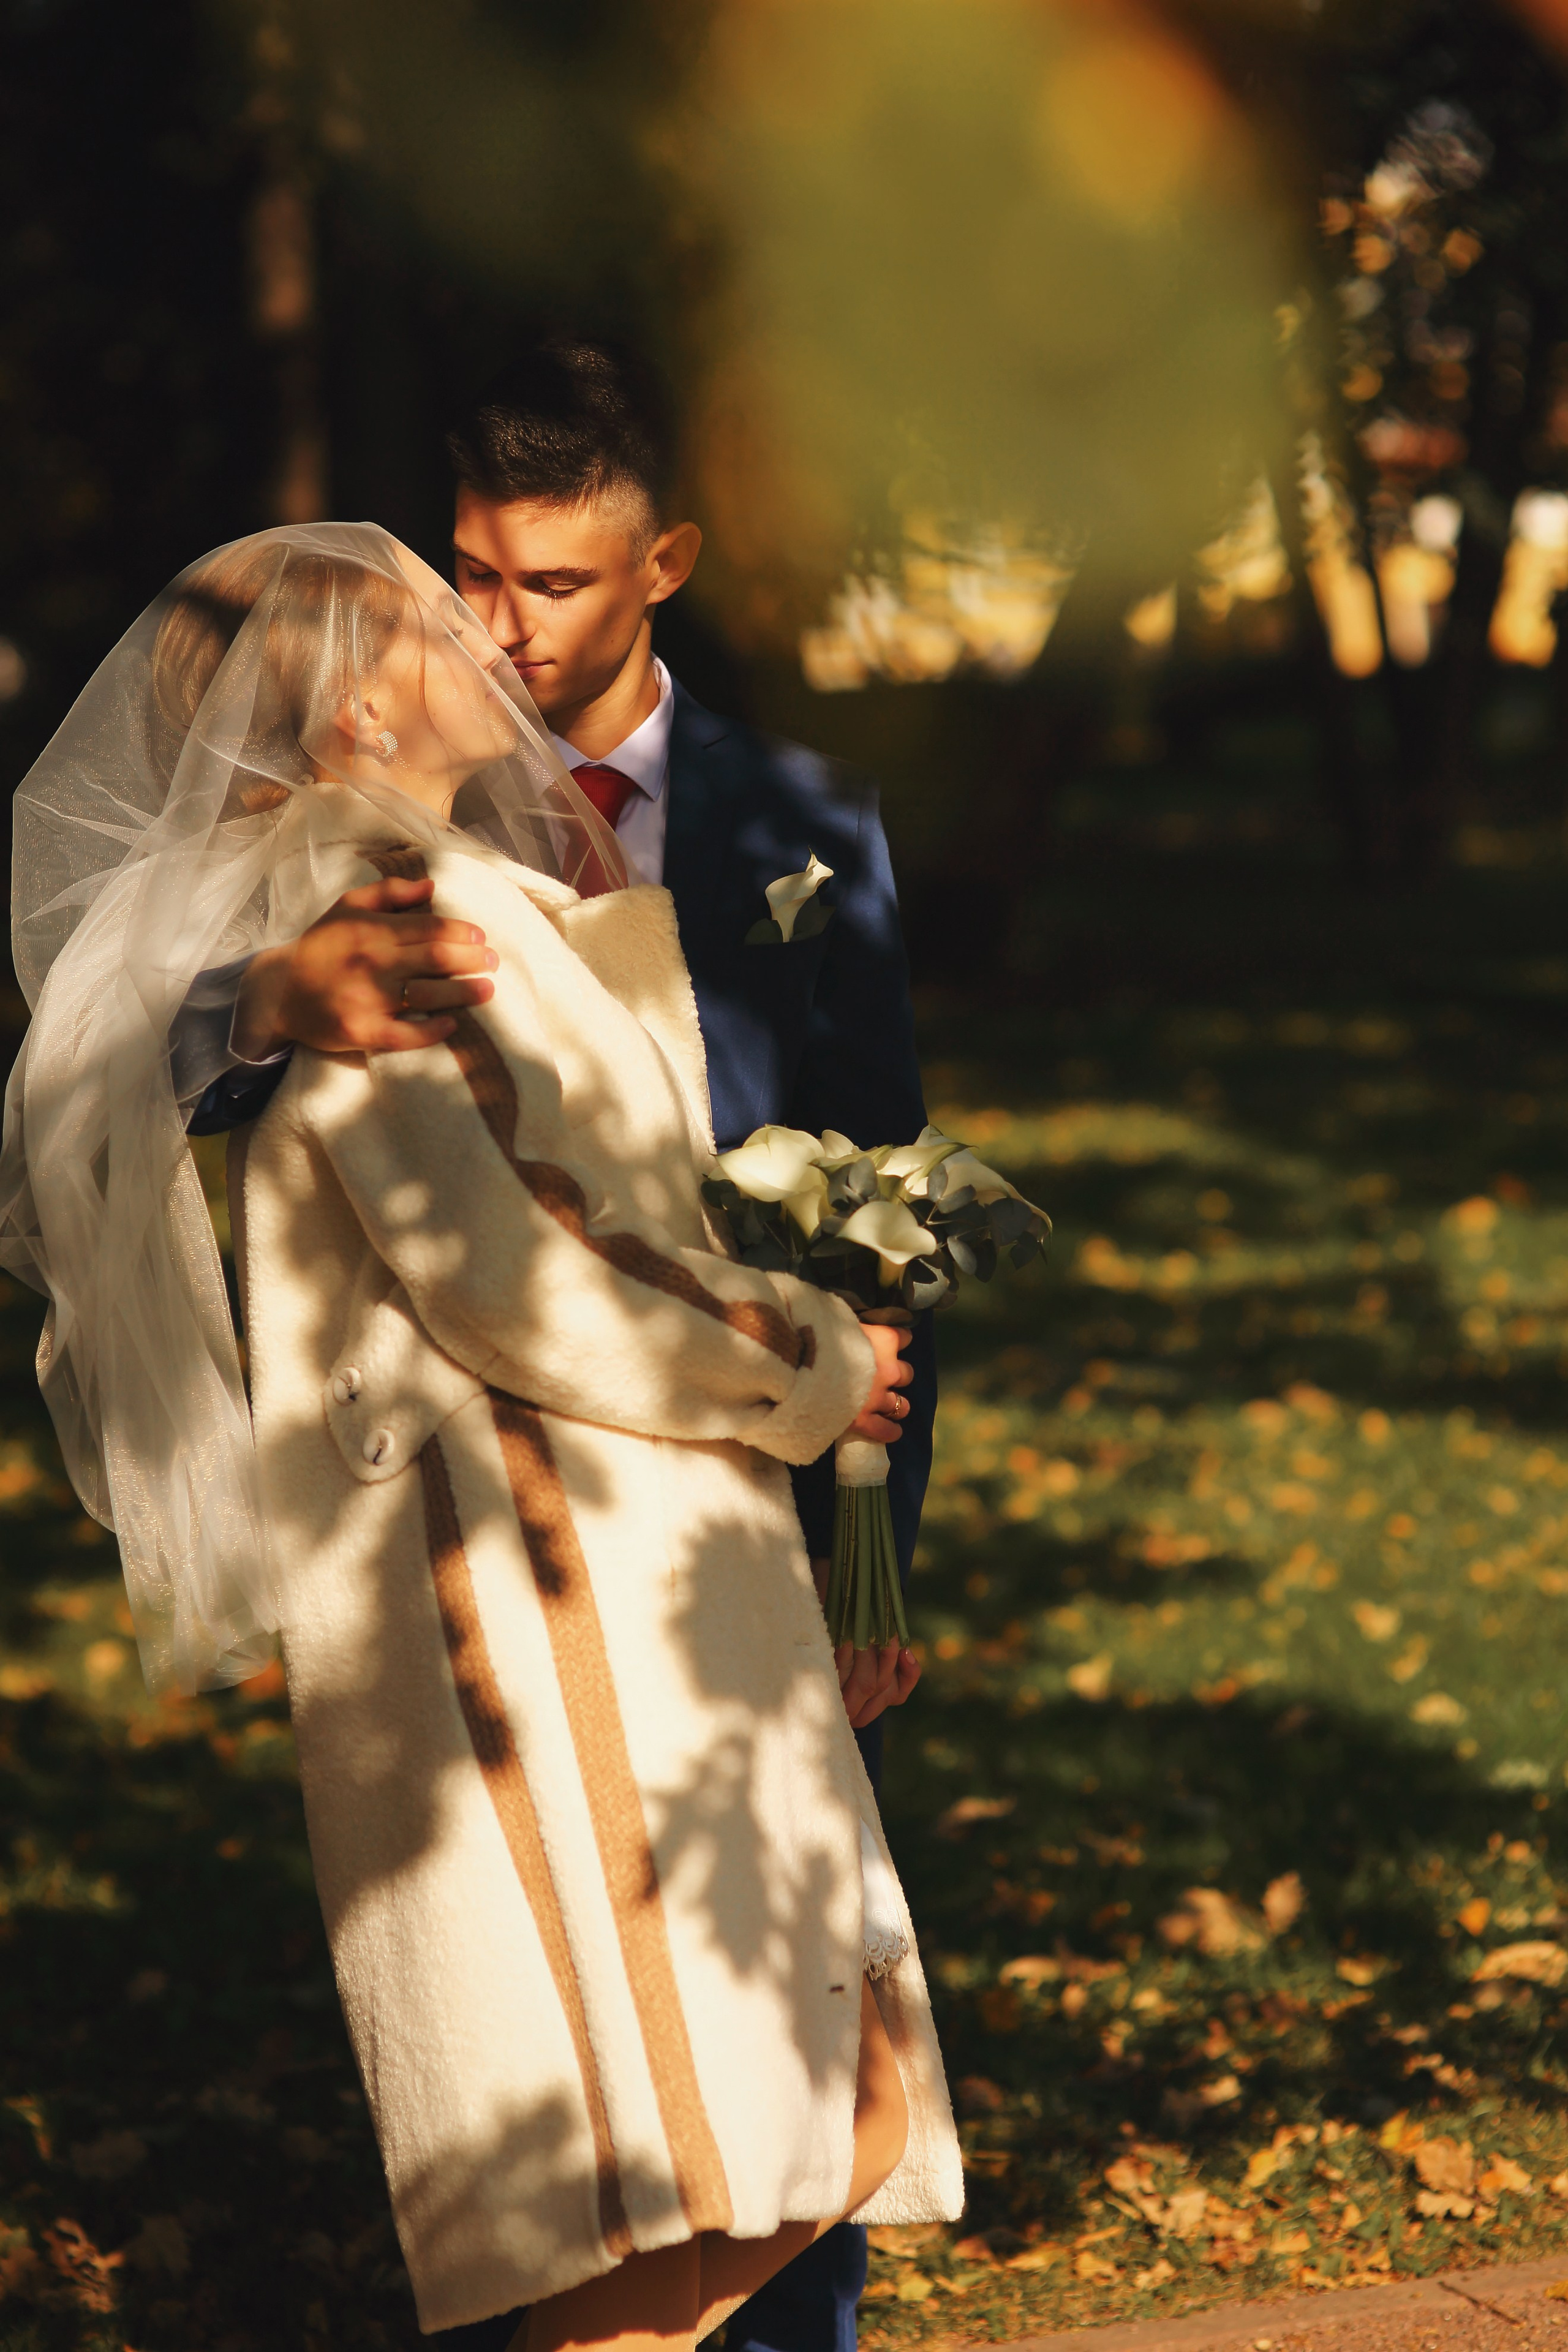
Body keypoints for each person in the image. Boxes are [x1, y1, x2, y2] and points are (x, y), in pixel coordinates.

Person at [1, 527, 963, 2350]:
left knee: (793, 2129)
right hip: (540, 1572)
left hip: (641, 1541)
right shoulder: (383, 899)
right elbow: (513, 1259)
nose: (478, 634)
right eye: (436, 618)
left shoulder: (444, 876)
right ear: (360, 706)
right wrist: (813, 1353)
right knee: (655, 2154)